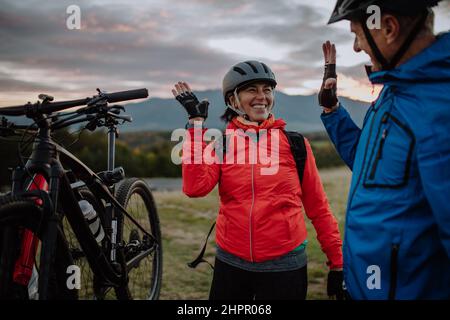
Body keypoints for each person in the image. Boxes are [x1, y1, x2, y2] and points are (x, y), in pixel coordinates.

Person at [172, 60, 344, 300]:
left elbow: (318, 207)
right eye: (252, 89)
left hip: (285, 266)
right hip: (231, 263)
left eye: (267, 89)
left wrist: (337, 262)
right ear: (233, 100)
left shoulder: (295, 145)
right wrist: (195, 125)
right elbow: (195, 188)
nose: (261, 96)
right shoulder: (222, 144)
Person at [319, 0, 450, 299]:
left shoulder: (439, 109)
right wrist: (333, 112)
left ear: (388, 28)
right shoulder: (395, 92)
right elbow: (373, 170)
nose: (355, 47)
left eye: (357, 34)